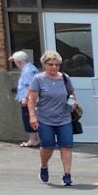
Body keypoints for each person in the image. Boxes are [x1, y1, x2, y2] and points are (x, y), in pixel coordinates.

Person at [23, 51, 83, 186]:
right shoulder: (38, 79)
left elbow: (72, 94)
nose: (55, 67)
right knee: (48, 146)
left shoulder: (65, 78)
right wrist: (32, 117)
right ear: (44, 65)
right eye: (51, 64)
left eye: (57, 65)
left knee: (66, 146)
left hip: (64, 118)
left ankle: (67, 175)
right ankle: (44, 166)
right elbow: (31, 100)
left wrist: (73, 102)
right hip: (45, 118)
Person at [11, 51, 39, 147]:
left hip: (28, 100)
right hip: (29, 99)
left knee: (28, 118)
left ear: (19, 62)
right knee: (28, 118)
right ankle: (33, 139)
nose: (16, 65)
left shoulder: (28, 71)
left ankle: (33, 140)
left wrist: (26, 98)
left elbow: (31, 86)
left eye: (15, 62)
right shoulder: (29, 68)